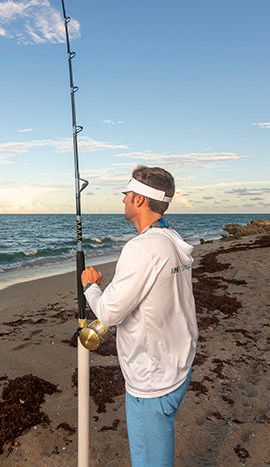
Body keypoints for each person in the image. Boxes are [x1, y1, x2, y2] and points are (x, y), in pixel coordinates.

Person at [81, 165, 198, 466]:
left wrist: (90, 286)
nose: (123, 200)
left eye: (127, 195)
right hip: (177, 366)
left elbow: (107, 312)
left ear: (141, 200)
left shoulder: (142, 249)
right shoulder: (171, 239)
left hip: (152, 380)